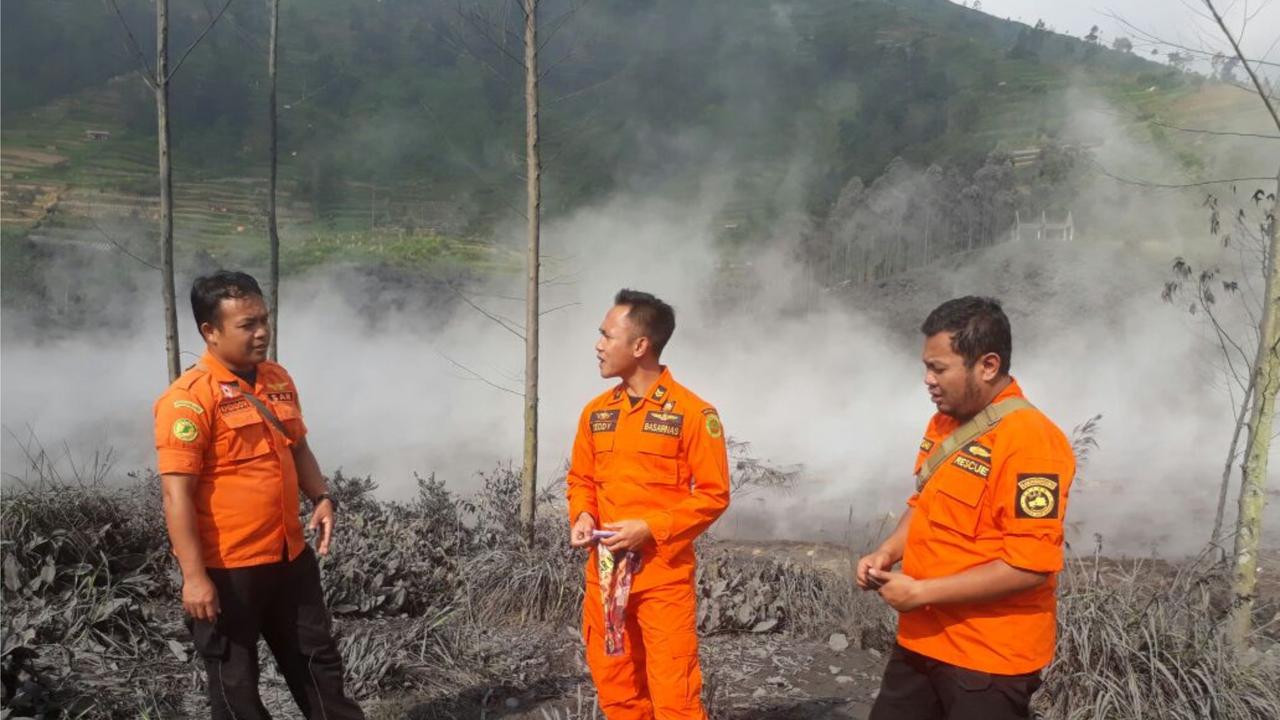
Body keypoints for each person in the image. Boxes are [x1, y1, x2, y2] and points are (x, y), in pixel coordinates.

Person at [153, 271, 364, 720]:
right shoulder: (187, 401)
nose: (262, 332)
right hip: (228, 570)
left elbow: (298, 447)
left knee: (319, 667)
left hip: (290, 558)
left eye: (264, 320)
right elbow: (176, 497)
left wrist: (321, 496)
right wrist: (194, 578)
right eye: (247, 325)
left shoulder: (277, 378)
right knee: (237, 689)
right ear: (210, 332)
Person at [857, 296, 1075, 720]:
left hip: (986, 660)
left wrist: (920, 593)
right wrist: (887, 551)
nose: (928, 380)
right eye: (926, 367)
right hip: (921, 642)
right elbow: (924, 504)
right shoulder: (945, 422)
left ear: (988, 366)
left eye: (939, 369)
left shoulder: (1030, 441)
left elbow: (1028, 567)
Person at [566, 289, 731, 720]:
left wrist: (649, 528)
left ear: (640, 345)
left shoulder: (693, 414)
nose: (598, 345)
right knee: (618, 691)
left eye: (607, 336)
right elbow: (581, 479)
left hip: (663, 581)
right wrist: (583, 514)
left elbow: (713, 495)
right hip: (605, 579)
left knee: (676, 699)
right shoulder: (596, 413)